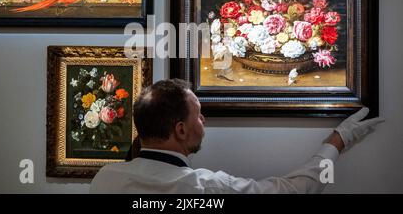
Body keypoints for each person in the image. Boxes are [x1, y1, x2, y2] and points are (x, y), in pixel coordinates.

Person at [90, 79, 384, 194]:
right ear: (180, 130)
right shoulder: (208, 188)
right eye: (200, 115)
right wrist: (338, 140)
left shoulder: (105, 179)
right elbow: (295, 191)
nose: (204, 122)